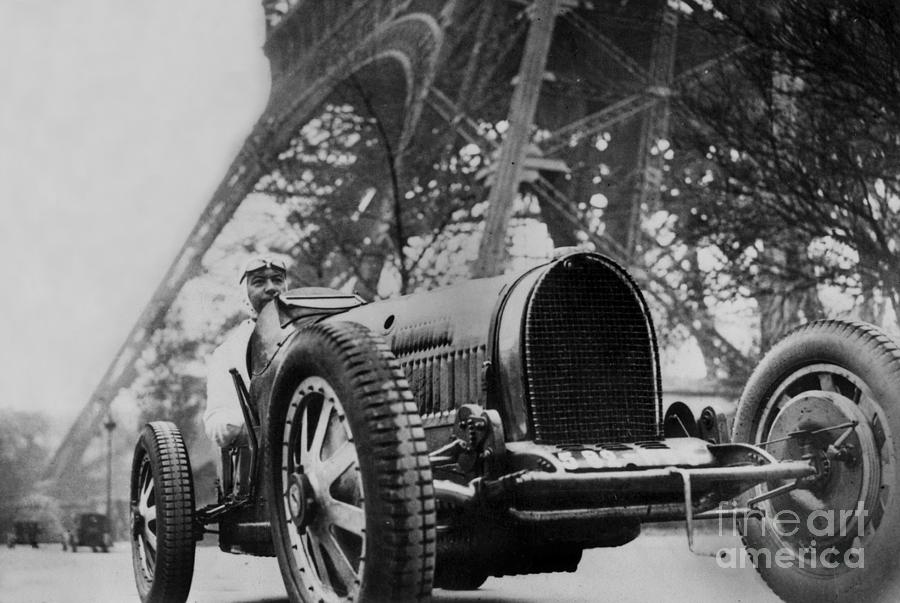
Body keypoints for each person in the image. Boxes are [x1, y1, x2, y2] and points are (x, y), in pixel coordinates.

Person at [204, 255, 288, 447]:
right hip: (264, 454)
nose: (271, 288)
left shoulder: (309, 330)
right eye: (259, 282)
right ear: (244, 292)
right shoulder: (228, 352)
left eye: (277, 280)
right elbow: (217, 421)